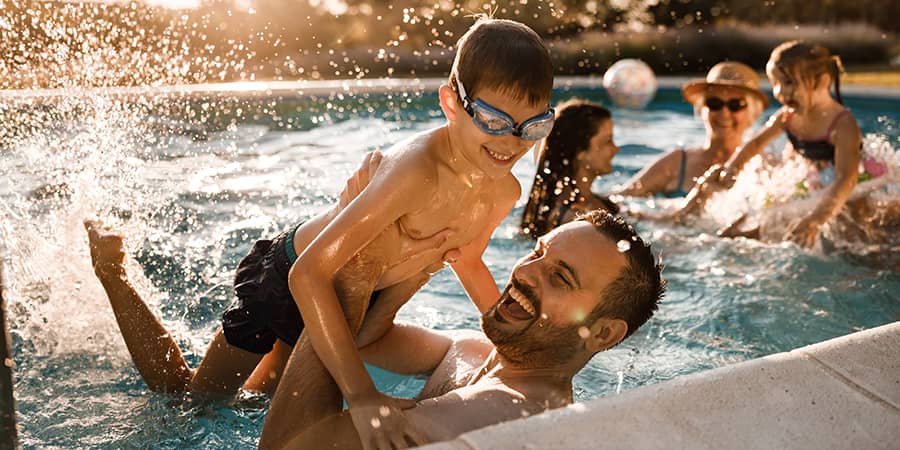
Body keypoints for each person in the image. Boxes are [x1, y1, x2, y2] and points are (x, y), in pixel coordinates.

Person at [86, 17, 556, 449]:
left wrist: (515, 342)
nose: (510, 143)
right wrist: (362, 393)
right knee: (194, 402)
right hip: (287, 278)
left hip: (354, 299)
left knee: (260, 401)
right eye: (494, 122)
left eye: (532, 127)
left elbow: (466, 260)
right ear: (451, 102)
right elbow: (308, 275)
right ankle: (114, 273)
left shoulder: (501, 192)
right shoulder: (417, 171)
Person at [278, 210, 665, 449]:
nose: (524, 271)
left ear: (604, 334)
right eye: (537, 252)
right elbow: (363, 342)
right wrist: (419, 261)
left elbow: (286, 448)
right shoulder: (473, 350)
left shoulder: (501, 412)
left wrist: (351, 273)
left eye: (559, 278)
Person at [678, 41, 863, 248]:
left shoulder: (843, 124)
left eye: (789, 83)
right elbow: (756, 143)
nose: (780, 93)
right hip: (816, 177)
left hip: (853, 180)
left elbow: (847, 178)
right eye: (776, 83)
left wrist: (815, 220)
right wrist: (733, 168)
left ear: (821, 81)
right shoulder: (787, 117)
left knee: (856, 232)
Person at [617, 61, 768, 197]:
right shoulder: (676, 162)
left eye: (735, 105)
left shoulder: (765, 168)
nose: (724, 113)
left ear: (752, 113)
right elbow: (619, 200)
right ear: (702, 108)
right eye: (714, 103)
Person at [520, 99, 620, 239]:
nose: (616, 149)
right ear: (580, 152)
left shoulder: (598, 201)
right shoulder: (571, 219)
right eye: (607, 141)